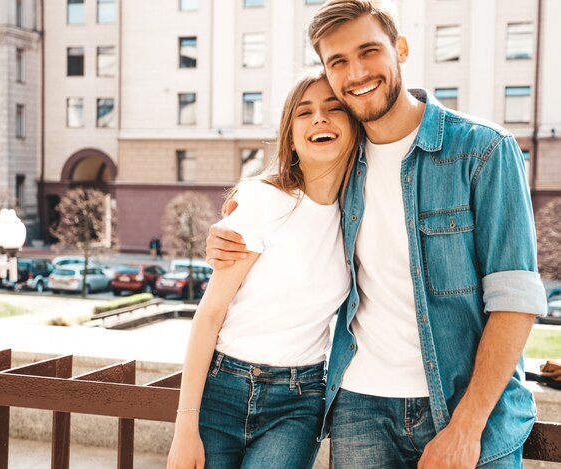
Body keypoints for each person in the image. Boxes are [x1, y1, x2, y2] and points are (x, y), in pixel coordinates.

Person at [205, 1, 548, 467]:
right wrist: (228, 230)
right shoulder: (343, 156)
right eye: (338, 61)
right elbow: (284, 199)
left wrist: (467, 427)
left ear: (400, 49)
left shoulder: (483, 150)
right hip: (358, 410)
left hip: (463, 412)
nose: (357, 72)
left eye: (369, 51)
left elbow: (515, 300)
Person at [167, 74, 359, 468]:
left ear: (354, 127)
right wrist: (185, 427)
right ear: (290, 136)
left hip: (298, 400)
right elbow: (209, 314)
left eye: (333, 108)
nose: (319, 119)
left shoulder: (357, 215)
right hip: (222, 389)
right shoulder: (262, 200)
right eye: (304, 113)